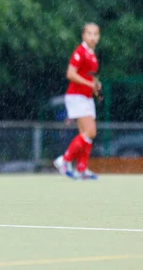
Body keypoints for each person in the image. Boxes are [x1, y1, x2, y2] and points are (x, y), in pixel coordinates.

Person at [53, 23, 101, 180]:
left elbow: (89, 76)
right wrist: (89, 84)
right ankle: (64, 160)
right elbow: (70, 74)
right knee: (90, 131)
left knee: (86, 134)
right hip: (76, 96)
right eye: (89, 33)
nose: (92, 37)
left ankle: (81, 169)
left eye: (95, 34)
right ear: (83, 35)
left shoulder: (92, 55)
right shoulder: (80, 52)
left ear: (99, 37)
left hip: (86, 97)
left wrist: (95, 86)